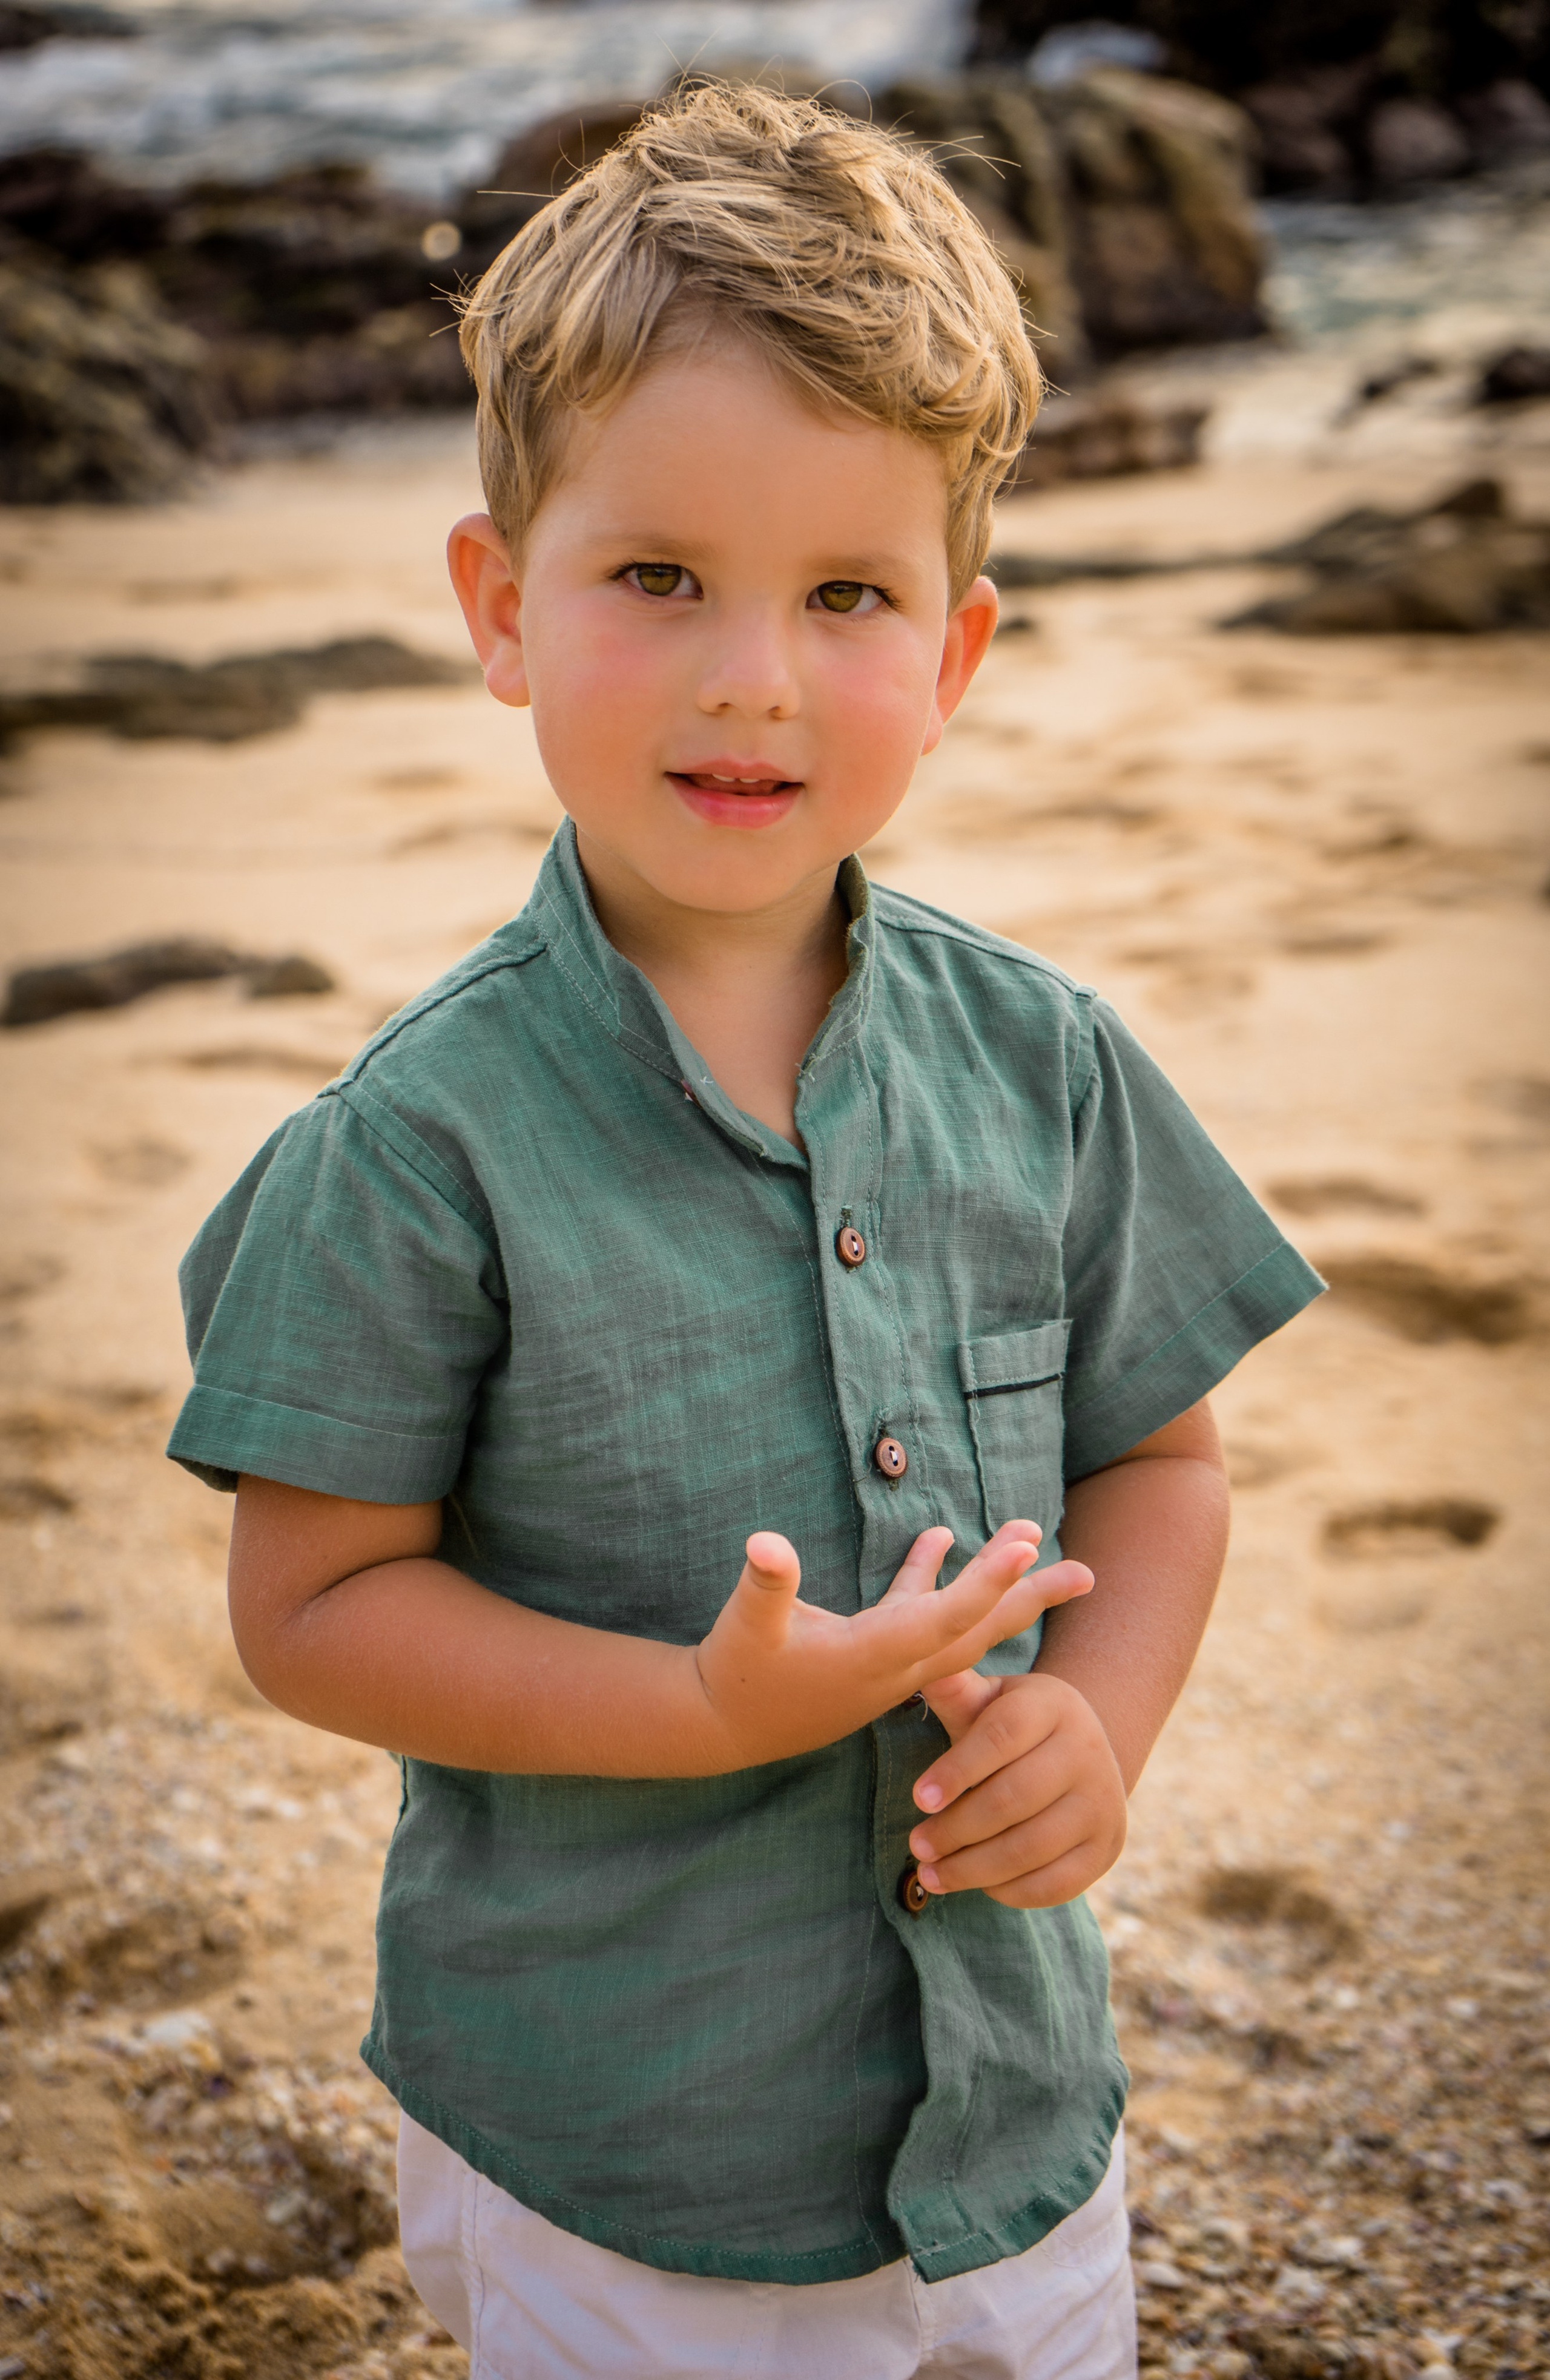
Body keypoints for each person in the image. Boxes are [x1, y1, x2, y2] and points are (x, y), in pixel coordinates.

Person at [167, 82, 1322, 2379]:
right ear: (506, 605)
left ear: (958, 652)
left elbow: (1164, 1466)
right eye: (659, 576)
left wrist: (1103, 1722)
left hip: (1015, 2124)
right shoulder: (421, 1142)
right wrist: (696, 1707)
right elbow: (310, 1605)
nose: (752, 676)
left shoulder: (1048, 1063)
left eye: (848, 595)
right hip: (628, 2150)